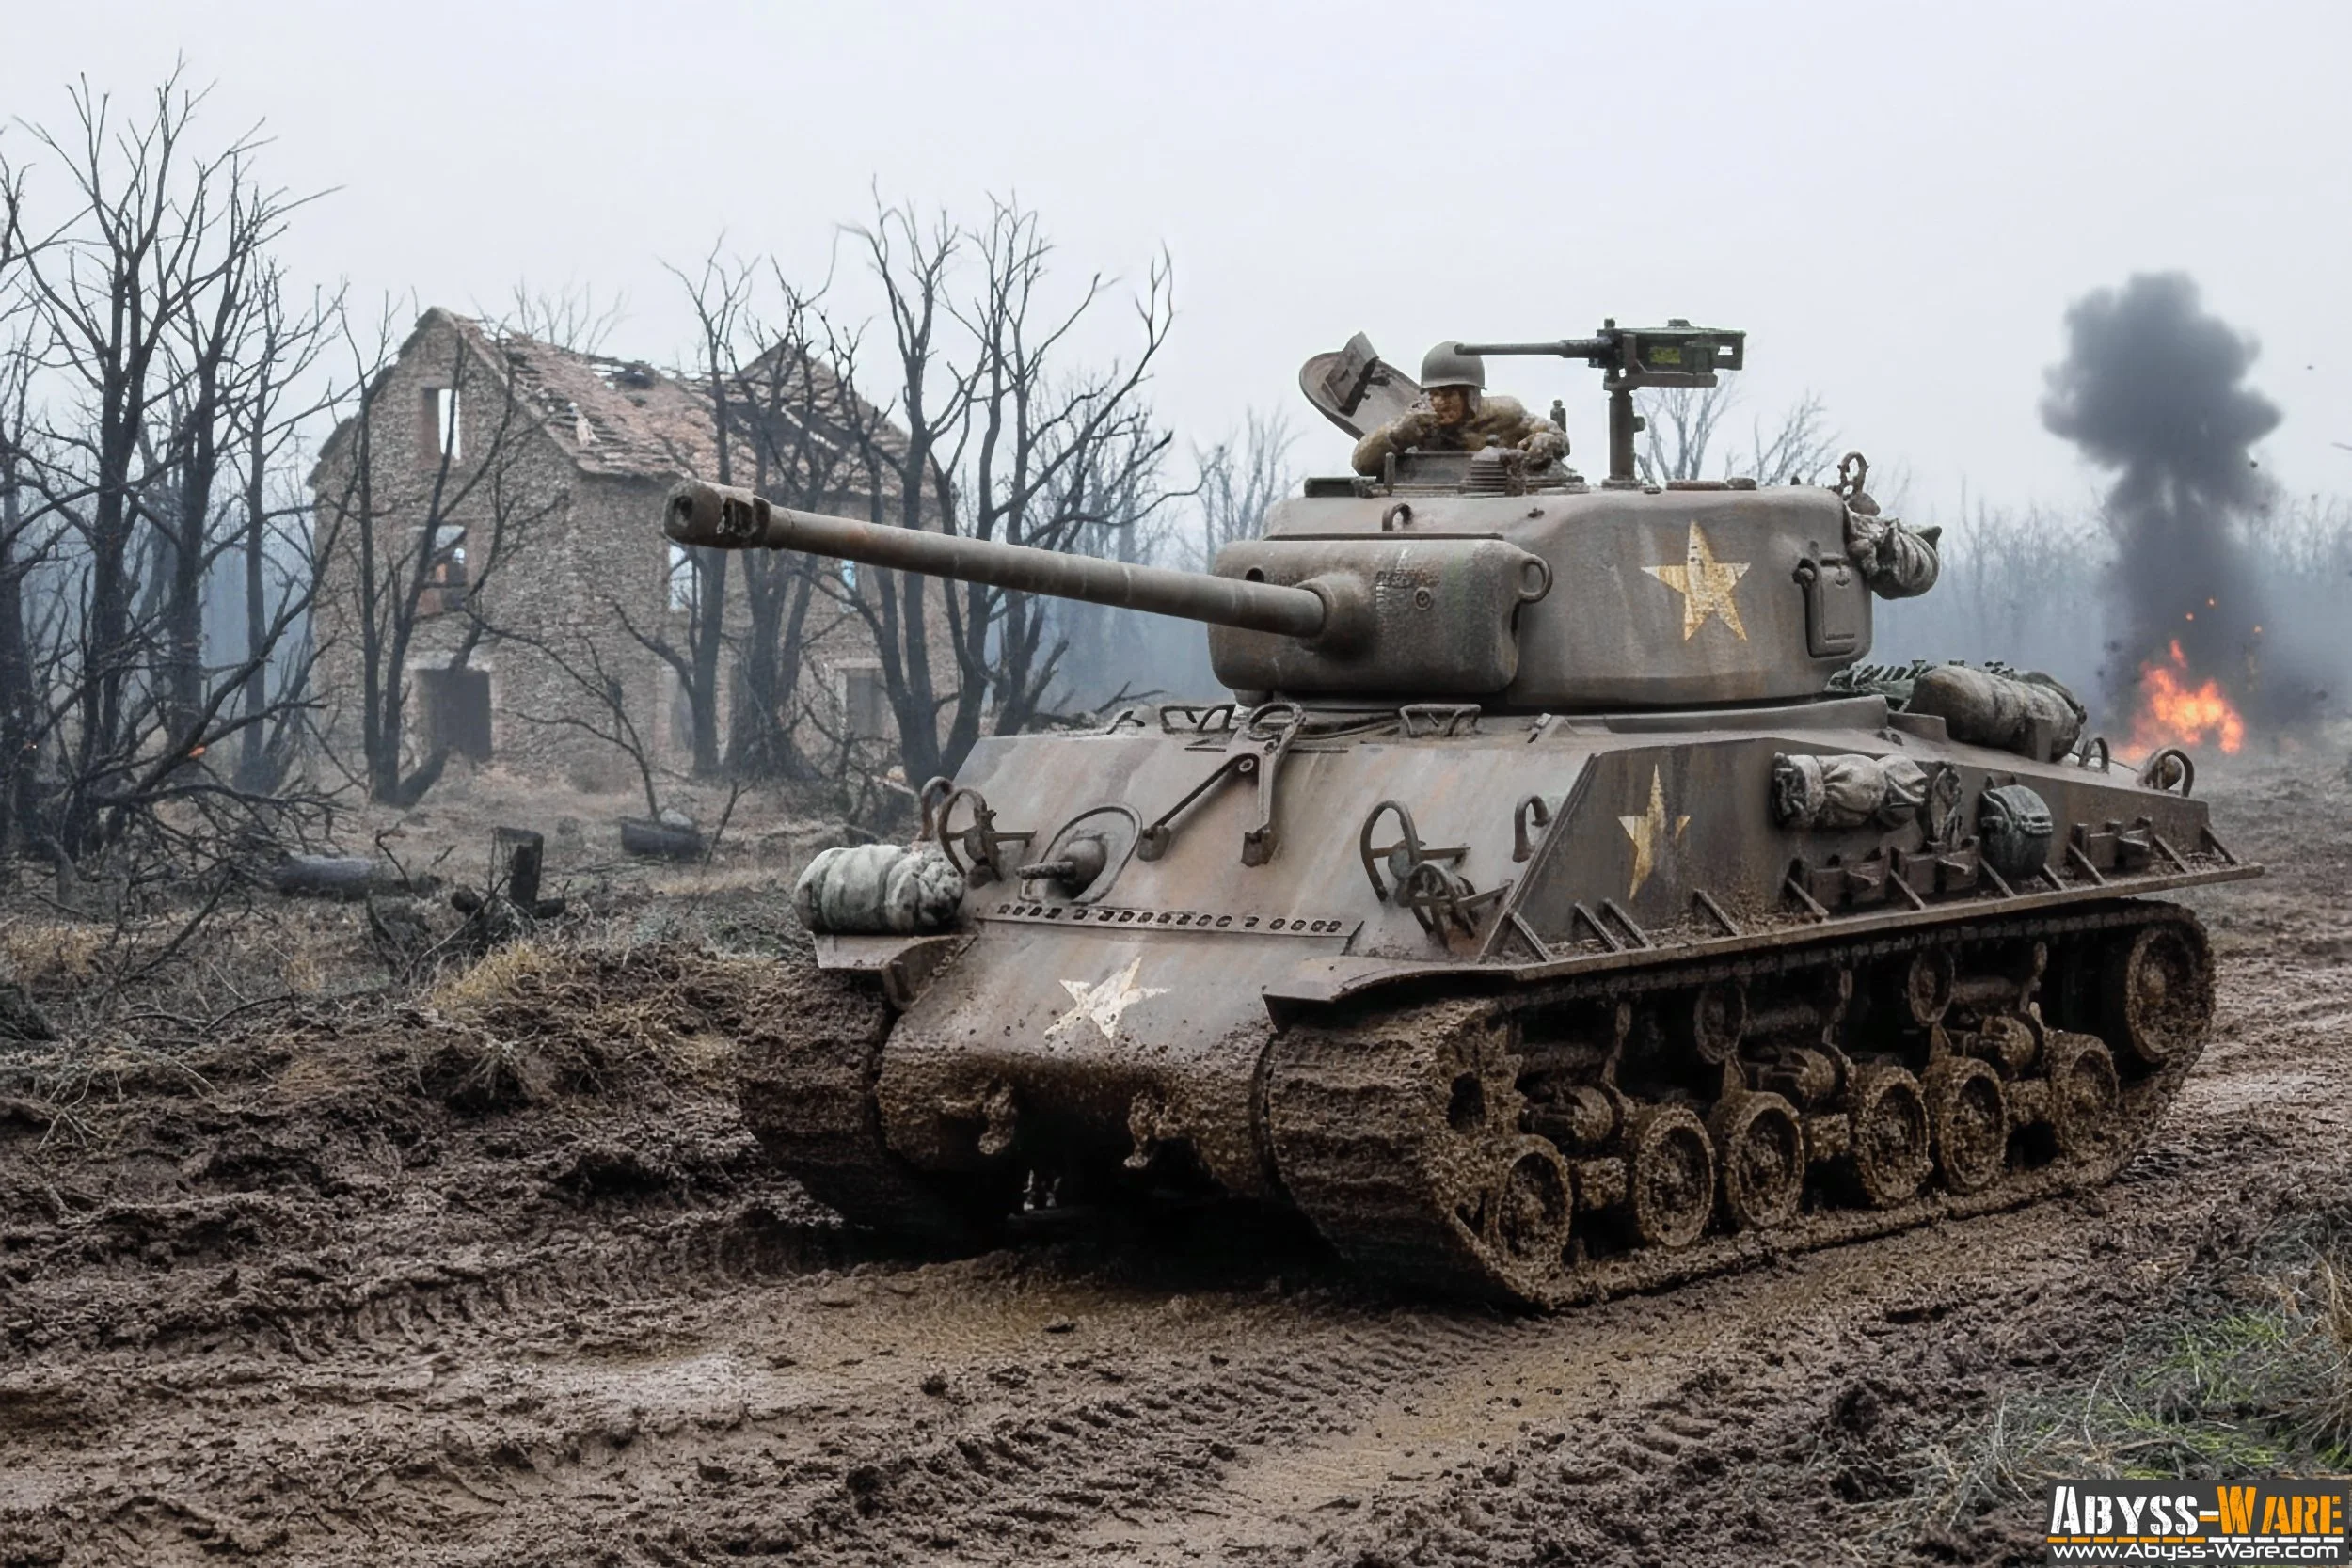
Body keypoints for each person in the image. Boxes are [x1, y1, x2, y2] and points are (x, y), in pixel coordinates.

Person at [1350, 342, 1567, 476]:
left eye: (1449, 394)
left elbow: (1558, 437)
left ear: (1471, 394)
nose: (1440, 403)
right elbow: (1361, 463)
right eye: (1434, 394)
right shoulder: (1416, 422)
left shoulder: (1506, 414)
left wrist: (1546, 441)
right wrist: (1397, 435)